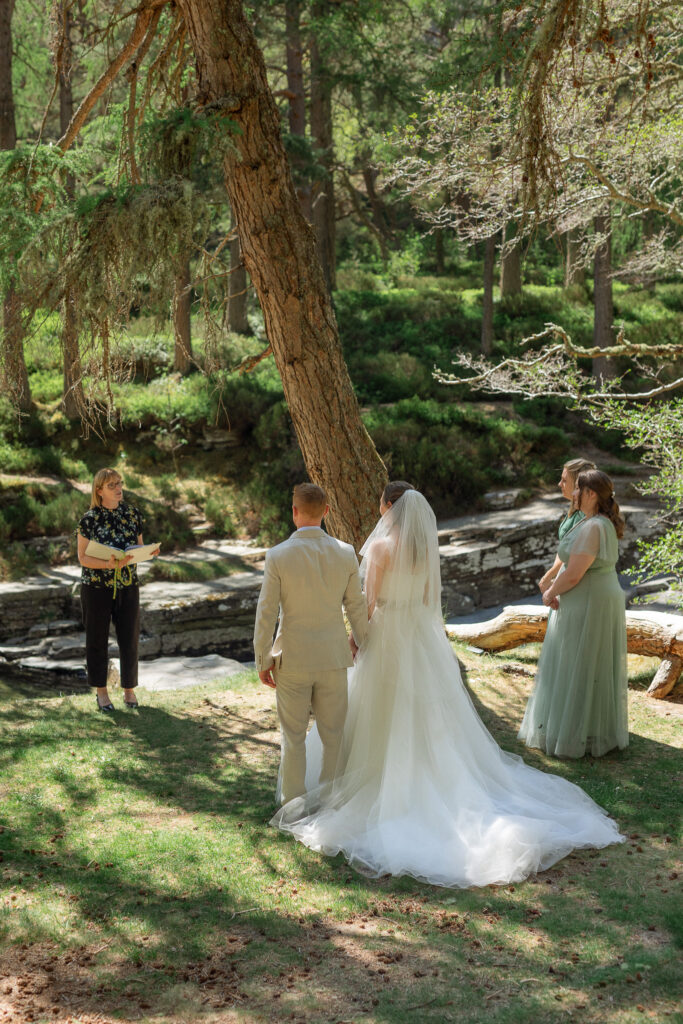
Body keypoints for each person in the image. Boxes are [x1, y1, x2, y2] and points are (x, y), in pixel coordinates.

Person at [270, 482, 624, 888]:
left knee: (377, 706)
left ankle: (359, 779)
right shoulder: (422, 549)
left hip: (388, 632)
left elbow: (367, 602)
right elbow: (425, 600)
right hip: (419, 634)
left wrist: (358, 639)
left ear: (389, 508)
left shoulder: (382, 549)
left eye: (383, 507)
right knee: (425, 708)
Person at [253, 482, 368, 805]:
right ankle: (330, 801)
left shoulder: (277, 555)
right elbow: (356, 606)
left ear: (294, 512)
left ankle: (293, 806)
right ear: (327, 512)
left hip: (293, 658)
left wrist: (263, 659)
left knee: (293, 737)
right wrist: (365, 643)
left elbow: (266, 613)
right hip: (333, 655)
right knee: (333, 736)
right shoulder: (345, 553)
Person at [520, 469, 628, 758]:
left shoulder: (594, 527)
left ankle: (575, 734)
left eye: (578, 489)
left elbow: (575, 574)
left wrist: (550, 593)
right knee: (586, 664)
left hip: (590, 601)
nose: (574, 495)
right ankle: (586, 730)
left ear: (591, 494)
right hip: (592, 598)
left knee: (578, 662)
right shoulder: (595, 523)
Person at [77, 468, 156, 712]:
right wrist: (106, 564)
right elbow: (82, 558)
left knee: (129, 639)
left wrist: (147, 553)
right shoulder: (89, 519)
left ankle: (129, 690)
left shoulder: (133, 514)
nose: (118, 488)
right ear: (99, 490)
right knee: (97, 640)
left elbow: (137, 548)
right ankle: (101, 693)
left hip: (128, 585)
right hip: (96, 588)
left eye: (119, 483)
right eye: (111, 485)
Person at [538, 457, 596, 595]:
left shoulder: (587, 517)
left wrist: (548, 577)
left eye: (564, 480)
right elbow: (565, 546)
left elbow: (573, 554)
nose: (559, 484)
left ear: (578, 483)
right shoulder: (575, 510)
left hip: (582, 586)